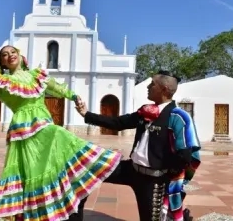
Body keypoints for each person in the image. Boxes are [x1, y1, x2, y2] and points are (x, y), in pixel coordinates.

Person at [0, 45, 121, 221]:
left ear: (20, 56)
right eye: (4, 55)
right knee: (33, 166)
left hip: (44, 122)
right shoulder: (1, 83)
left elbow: (59, 88)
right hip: (23, 128)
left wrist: (75, 98)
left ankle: (60, 196)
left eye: (13, 52)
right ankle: (35, 210)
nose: (9, 55)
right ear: (2, 62)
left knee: (56, 147)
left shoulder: (38, 76)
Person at [75, 71, 200, 221]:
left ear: (164, 89)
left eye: (152, 84)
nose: (148, 86)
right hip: (131, 170)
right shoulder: (145, 111)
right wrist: (86, 114)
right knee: (90, 170)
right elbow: (119, 123)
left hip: (153, 180)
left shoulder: (179, 117)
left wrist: (164, 176)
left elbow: (184, 155)